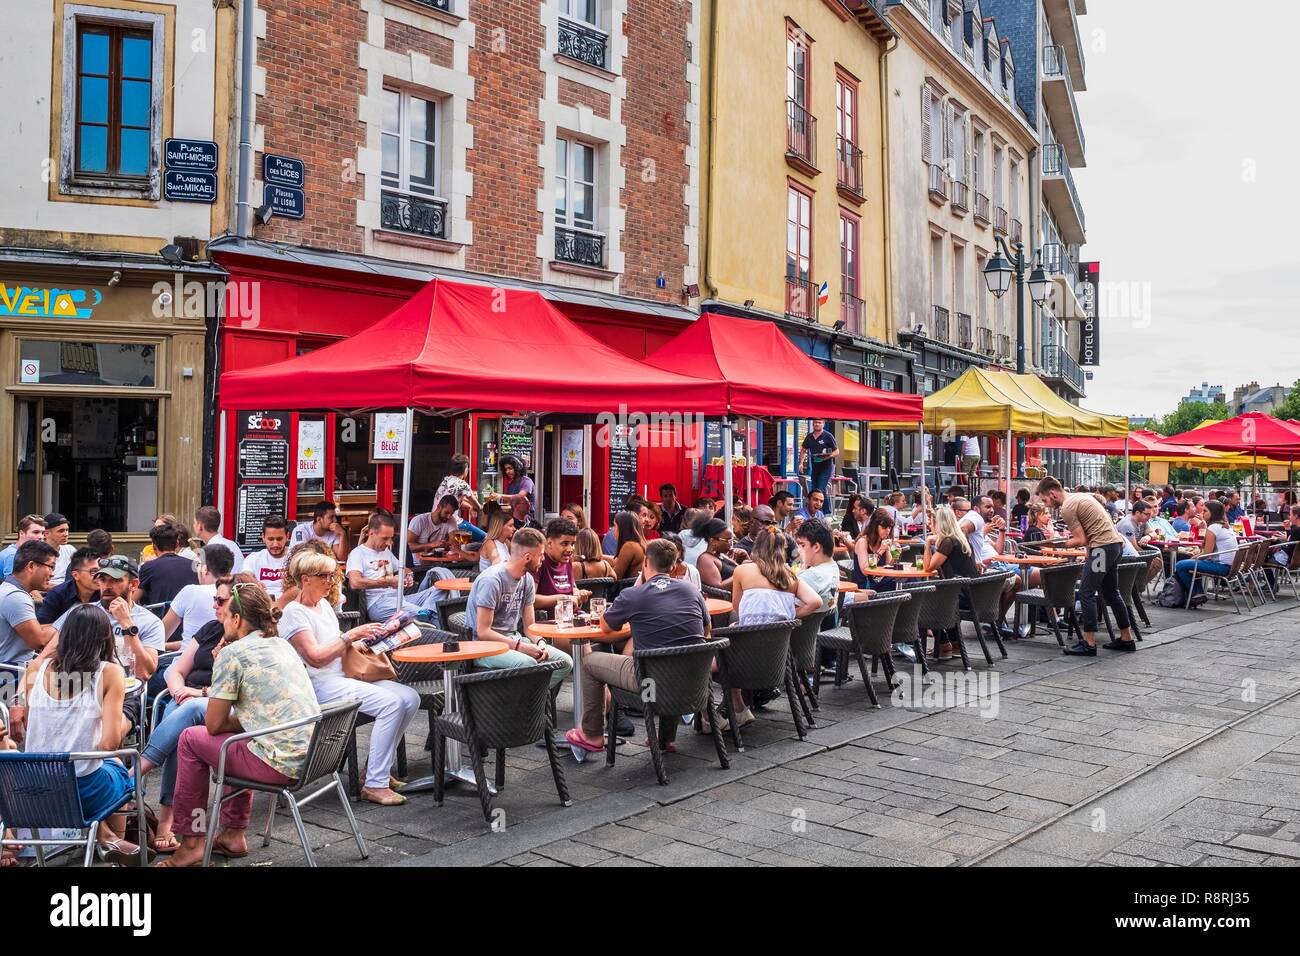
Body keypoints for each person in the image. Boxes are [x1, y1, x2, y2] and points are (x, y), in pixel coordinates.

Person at [163, 582, 324, 866]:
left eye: (226, 615)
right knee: (236, 740)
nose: (222, 620)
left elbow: (213, 725)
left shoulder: (232, 654)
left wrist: (221, 666)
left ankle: (192, 842)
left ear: (237, 619)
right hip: (314, 757)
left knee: (190, 739)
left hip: (280, 764)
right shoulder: (282, 644)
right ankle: (233, 834)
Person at [281, 549, 417, 807]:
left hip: (342, 675)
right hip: (319, 685)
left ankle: (376, 770)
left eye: (332, 575)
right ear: (305, 578)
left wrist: (371, 640)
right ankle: (375, 784)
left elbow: (335, 645)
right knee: (391, 703)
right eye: (324, 576)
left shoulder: (323, 605)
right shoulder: (294, 613)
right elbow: (316, 658)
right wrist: (350, 636)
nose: (331, 581)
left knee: (410, 698)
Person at [18, 604, 142, 863]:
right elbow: (109, 743)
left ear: (63, 637)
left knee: (95, 768)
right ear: (105, 639)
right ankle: (111, 845)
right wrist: (126, 719)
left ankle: (105, 835)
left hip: (33, 790)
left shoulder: (35, 670)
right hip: (84, 793)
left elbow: (33, 725)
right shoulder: (109, 672)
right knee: (119, 767)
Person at [565, 539, 711, 755]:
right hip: (693, 683)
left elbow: (605, 626)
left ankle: (592, 734)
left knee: (588, 662)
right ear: (673, 566)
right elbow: (707, 631)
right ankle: (665, 739)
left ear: (645, 563)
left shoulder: (634, 595)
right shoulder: (691, 590)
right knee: (674, 656)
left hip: (650, 687)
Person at [137, 578, 234, 852]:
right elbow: (177, 669)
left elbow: (235, 689)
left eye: (221, 601)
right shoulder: (211, 629)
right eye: (214, 599)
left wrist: (199, 693)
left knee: (184, 725)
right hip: (185, 700)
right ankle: (171, 820)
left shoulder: (246, 641)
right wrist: (180, 690)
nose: (214, 605)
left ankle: (138, 778)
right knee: (181, 722)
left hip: (219, 706)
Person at [463, 527, 573, 690]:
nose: (543, 559)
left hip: (514, 638)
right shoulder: (492, 580)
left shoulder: (527, 579)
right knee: (528, 663)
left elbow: (530, 627)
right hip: (484, 646)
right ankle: (525, 700)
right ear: (527, 557)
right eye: (541, 555)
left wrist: (540, 642)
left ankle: (528, 699)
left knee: (565, 662)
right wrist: (520, 647)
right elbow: (483, 632)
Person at [1037, 476, 1134, 655]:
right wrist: (1089, 550)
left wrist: (1055, 544)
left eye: (1045, 500)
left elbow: (1080, 539)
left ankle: (1089, 643)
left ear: (1052, 494)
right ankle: (1127, 638)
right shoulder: (1081, 497)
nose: (1046, 505)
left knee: (1086, 592)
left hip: (1102, 549)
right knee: (1112, 593)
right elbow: (1092, 529)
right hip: (1114, 545)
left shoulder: (1067, 507)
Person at [345, 513, 442, 619]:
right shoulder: (358, 553)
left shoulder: (385, 551)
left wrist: (408, 575)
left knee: (441, 589)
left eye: (391, 538)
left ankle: (425, 615)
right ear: (371, 533)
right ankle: (425, 615)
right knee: (428, 613)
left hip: (400, 599)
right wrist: (389, 582)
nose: (389, 542)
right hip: (378, 603)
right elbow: (355, 583)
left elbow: (403, 569)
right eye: (385, 538)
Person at [922, 505, 982, 660]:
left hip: (962, 596)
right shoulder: (961, 539)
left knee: (923, 602)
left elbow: (928, 567)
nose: (930, 526)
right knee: (939, 599)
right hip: (974, 594)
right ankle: (955, 644)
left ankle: (943, 644)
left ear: (939, 523)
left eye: (931, 522)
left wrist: (928, 543)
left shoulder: (948, 542)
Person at [162, 544, 235, 651]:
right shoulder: (238, 592)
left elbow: (161, 635)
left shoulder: (190, 592)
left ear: (205, 569)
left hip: (188, 659)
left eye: (198, 565)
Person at [0, 540, 58, 665]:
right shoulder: (15, 596)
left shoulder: (9, 590)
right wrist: (68, 622)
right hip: (11, 673)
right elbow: (39, 641)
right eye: (51, 567)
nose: (52, 574)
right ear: (31, 566)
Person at [1174, 499, 1239, 601]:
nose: (1202, 513)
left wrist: (1192, 558)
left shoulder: (1213, 528)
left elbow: (1206, 553)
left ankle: (1196, 593)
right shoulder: (1225, 526)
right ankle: (1196, 593)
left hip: (1222, 567)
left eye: (1205, 511)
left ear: (1213, 513)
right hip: (1232, 566)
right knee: (1189, 563)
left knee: (1180, 565)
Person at [533, 518, 591, 614]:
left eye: (573, 544)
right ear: (549, 543)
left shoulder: (567, 560)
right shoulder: (539, 562)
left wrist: (578, 593)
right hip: (549, 621)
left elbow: (572, 587)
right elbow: (530, 599)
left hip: (571, 616)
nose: (570, 549)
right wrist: (563, 598)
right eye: (564, 544)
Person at [135, 522, 198, 607]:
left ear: (154, 546)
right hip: (188, 613)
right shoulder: (194, 565)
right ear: (177, 544)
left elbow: (133, 600)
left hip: (159, 614)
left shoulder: (147, 567)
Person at [37, 547, 100, 626]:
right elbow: (42, 626)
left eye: (101, 571)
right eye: (93, 572)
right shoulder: (57, 594)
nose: (99, 576)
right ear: (75, 575)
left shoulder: (105, 593)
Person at [795, 519, 840, 611]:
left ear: (816, 547)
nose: (799, 550)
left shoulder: (810, 576)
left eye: (803, 545)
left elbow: (785, 608)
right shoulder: (833, 566)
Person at [241, 515, 291, 599]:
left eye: (279, 539)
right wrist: (254, 582)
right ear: (263, 537)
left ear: (287, 536)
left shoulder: (296, 557)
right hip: (261, 601)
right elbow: (245, 575)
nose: (275, 544)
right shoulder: (254, 558)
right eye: (271, 539)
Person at [852, 509, 896, 593]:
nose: (887, 530)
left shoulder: (883, 541)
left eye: (889, 527)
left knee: (906, 579)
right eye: (884, 527)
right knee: (896, 583)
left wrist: (895, 554)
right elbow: (865, 570)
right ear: (875, 526)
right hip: (866, 585)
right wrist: (881, 550)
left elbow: (889, 567)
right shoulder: (863, 541)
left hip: (880, 581)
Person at [192, 506, 244, 574]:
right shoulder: (233, 544)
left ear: (200, 526)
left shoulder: (208, 552)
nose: (193, 525)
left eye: (194, 523)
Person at [799, 420, 839, 499]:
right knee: (815, 490)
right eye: (815, 422)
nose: (817, 424)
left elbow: (837, 452)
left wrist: (826, 457)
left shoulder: (828, 436)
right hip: (815, 467)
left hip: (826, 467)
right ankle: (821, 506)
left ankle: (824, 507)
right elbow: (803, 450)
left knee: (821, 489)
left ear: (823, 424)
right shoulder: (809, 436)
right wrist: (801, 463)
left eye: (819, 423)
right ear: (813, 424)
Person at [694, 518, 735, 591]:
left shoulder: (721, 555)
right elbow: (717, 588)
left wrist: (745, 558)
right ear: (713, 541)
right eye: (727, 540)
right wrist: (740, 573)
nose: (730, 543)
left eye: (731, 539)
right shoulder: (705, 559)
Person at [610, 510, 647, 580]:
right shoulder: (641, 544)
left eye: (615, 525)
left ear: (622, 528)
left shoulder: (630, 546)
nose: (613, 529)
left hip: (629, 586)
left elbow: (615, 576)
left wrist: (603, 568)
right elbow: (618, 560)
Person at [477, 507, 517, 572]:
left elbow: (517, 557)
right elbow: (497, 564)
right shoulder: (489, 543)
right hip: (491, 578)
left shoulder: (506, 542)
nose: (514, 529)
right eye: (510, 526)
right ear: (500, 527)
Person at [500, 454, 536, 522]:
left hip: (525, 519)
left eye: (510, 468)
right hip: (512, 516)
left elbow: (519, 497)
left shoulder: (526, 481)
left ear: (518, 468)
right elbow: (508, 503)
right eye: (506, 469)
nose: (507, 471)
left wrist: (499, 496)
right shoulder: (511, 483)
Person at [43, 513, 75, 588]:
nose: (66, 534)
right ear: (46, 533)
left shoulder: (70, 549)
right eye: (61, 531)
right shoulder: (36, 552)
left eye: (67, 530)